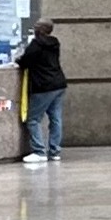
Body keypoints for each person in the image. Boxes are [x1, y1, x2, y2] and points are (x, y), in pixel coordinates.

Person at [16, 19, 69, 163]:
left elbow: (24, 61)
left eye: (35, 27)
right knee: (56, 119)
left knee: (33, 119)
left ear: (38, 30)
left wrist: (18, 59)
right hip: (58, 83)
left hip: (43, 86)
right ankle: (54, 152)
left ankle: (39, 152)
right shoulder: (55, 43)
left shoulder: (36, 44)